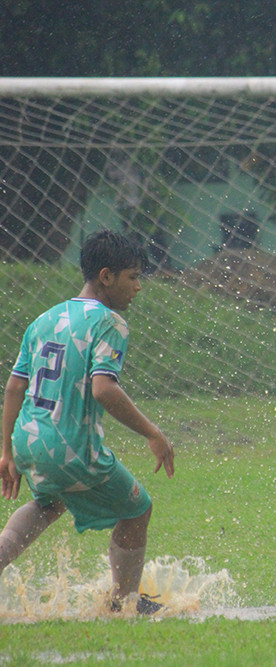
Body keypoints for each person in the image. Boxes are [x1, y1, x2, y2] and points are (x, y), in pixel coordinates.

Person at [0, 230, 175, 614]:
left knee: (47, 504)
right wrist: (153, 432)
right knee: (138, 508)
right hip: (71, 447)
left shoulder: (45, 318)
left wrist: (6, 449)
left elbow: (15, 385)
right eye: (133, 277)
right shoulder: (109, 322)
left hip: (29, 440)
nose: (139, 287)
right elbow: (104, 389)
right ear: (106, 276)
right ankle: (124, 602)